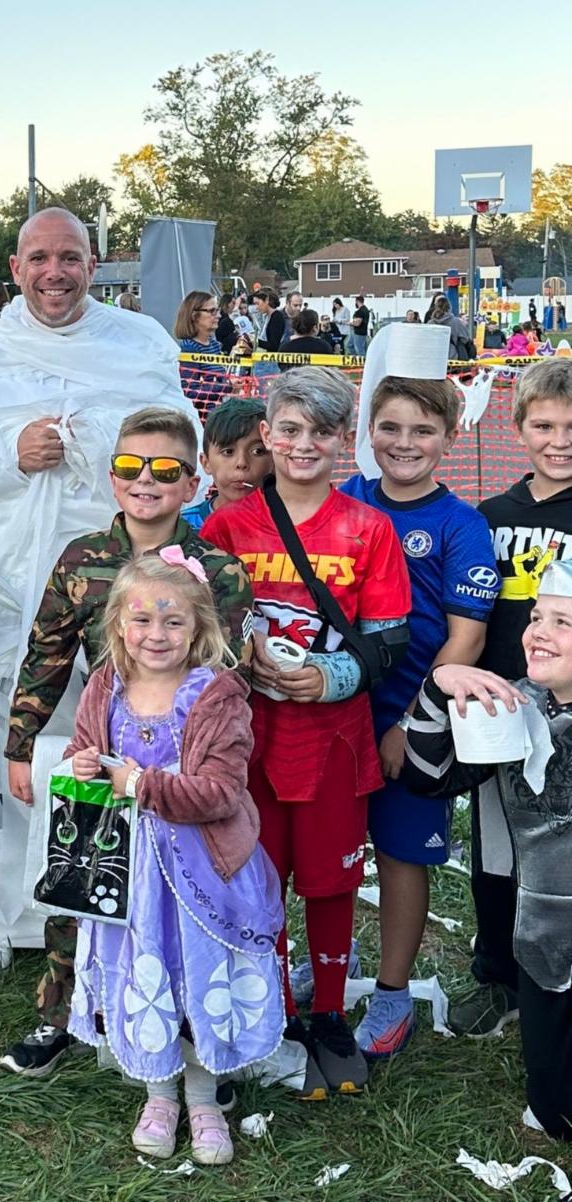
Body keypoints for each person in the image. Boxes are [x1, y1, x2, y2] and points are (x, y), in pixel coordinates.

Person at [0, 207, 203, 976]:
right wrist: (12, 456)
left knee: (103, 739)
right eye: (40, 258)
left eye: (70, 257)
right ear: (14, 267)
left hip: (115, 589)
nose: (55, 272)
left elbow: (176, 447)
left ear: (93, 265)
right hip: (8, 597)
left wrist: (99, 450)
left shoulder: (139, 350)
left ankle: (92, 899)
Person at [1, 406, 253, 1076]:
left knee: (179, 899)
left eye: (166, 470)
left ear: (194, 481)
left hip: (182, 766)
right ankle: (61, 1015)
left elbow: (224, 673)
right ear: (113, 478)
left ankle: (188, 1029)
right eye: (131, 467)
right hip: (103, 748)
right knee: (80, 881)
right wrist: (20, 744)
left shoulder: (218, 573)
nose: (147, 481)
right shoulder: (83, 558)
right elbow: (45, 655)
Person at [202, 367, 411, 1099]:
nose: (302, 444)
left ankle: (327, 1013)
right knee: (258, 881)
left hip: (334, 739)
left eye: (320, 431)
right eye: (288, 429)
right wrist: (241, 656)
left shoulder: (369, 528)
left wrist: (331, 678)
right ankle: (271, 1010)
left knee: (330, 882)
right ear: (266, 433)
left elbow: (390, 640)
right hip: (247, 742)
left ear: (343, 439)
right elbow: (198, 627)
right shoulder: (227, 526)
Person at [64, 554, 282, 1165]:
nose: (155, 635)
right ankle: (158, 1094)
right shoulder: (105, 684)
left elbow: (220, 792)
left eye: (173, 623)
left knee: (196, 970)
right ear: (118, 626)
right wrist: (84, 762)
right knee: (144, 968)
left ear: (200, 630)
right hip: (126, 873)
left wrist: (143, 786)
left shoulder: (214, 696)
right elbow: (89, 748)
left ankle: (205, 1095)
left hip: (201, 870)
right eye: (142, 620)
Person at [339, 344, 497, 1058]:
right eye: (392, 427)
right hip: (333, 715)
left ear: (449, 439)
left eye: (423, 431)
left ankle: (394, 992)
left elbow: (464, 637)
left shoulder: (463, 527)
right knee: (328, 852)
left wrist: (410, 722)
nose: (405, 444)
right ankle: (325, 966)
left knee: (401, 856)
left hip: (412, 723)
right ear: (370, 430)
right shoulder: (346, 501)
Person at [400, 565, 572, 1140]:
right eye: (535, 618)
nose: (538, 633)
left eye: (563, 621)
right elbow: (429, 777)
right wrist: (437, 687)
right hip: (547, 940)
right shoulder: (518, 707)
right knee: (556, 1111)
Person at [451, 358, 572, 1038]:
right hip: (503, 716)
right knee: (498, 854)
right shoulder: (490, 516)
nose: (559, 441)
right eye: (544, 425)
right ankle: (498, 973)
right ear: (518, 429)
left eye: (571, 427)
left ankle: (556, 980)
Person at [182, 397, 271, 530]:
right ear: (206, 463)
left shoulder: (293, 523)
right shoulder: (183, 527)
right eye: (228, 452)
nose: (241, 463)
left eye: (257, 451)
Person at [175, 290, 230, 402]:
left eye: (218, 310)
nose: (219, 316)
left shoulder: (214, 345)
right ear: (195, 316)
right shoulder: (189, 348)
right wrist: (227, 387)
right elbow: (189, 392)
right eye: (212, 311)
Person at [427, 296, 475, 360]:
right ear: (449, 307)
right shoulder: (456, 321)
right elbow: (465, 339)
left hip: (433, 356)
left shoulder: (430, 323)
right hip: (451, 356)